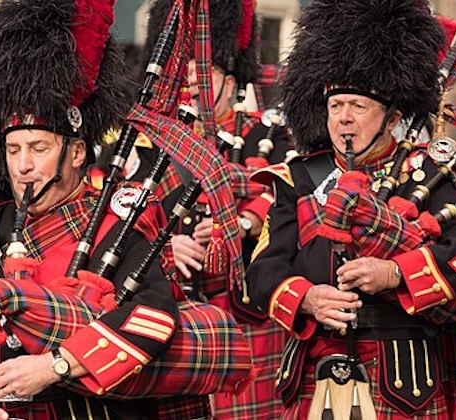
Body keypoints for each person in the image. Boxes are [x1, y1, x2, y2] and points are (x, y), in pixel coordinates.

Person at [0, 1, 206, 418]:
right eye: (13, 149)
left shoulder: (115, 226)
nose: (23, 165)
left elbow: (152, 317)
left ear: (75, 152)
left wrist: (54, 366)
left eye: (38, 148)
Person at [245, 0, 456, 418]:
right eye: (335, 106)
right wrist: (306, 298)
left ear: (392, 115)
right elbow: (262, 270)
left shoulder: (429, 173)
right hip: (314, 376)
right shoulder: (298, 178)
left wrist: (396, 273)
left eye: (358, 107)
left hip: (404, 379)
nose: (344, 119)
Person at [143, 2, 291, 418]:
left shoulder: (266, 132)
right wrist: (169, 243)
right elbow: (129, 209)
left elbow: (283, 195)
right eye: (186, 75)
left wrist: (242, 222)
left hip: (243, 303)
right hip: (174, 298)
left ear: (231, 80)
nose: (192, 84)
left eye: (203, 74)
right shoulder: (154, 141)